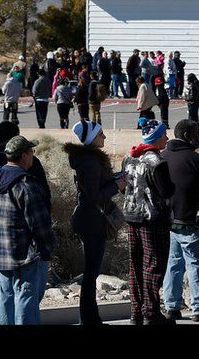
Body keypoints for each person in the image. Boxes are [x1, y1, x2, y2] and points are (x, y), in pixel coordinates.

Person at [0, 136, 54, 324]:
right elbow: (39, 222)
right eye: (31, 152)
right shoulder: (25, 184)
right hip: (23, 253)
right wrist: (47, 247)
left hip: (0, 251)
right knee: (26, 298)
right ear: (23, 156)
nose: (33, 155)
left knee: (5, 297)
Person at [67, 120, 125, 326]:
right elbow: (92, 196)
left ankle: (90, 318)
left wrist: (115, 180)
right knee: (91, 273)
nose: (105, 137)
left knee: (91, 272)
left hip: (89, 220)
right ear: (92, 137)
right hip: (92, 221)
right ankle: (88, 318)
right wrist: (116, 185)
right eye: (101, 133)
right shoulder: (90, 162)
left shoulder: (88, 160)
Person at [121, 119, 175, 325]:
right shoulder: (157, 162)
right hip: (152, 219)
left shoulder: (130, 157)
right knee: (154, 264)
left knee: (135, 265)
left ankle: (136, 311)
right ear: (156, 137)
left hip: (131, 216)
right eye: (164, 135)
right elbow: (167, 191)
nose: (167, 138)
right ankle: (151, 312)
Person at [162, 119, 199, 322]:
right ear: (187, 136)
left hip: (169, 222)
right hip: (192, 223)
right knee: (196, 264)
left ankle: (171, 306)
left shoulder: (162, 157)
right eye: (197, 133)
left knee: (173, 264)